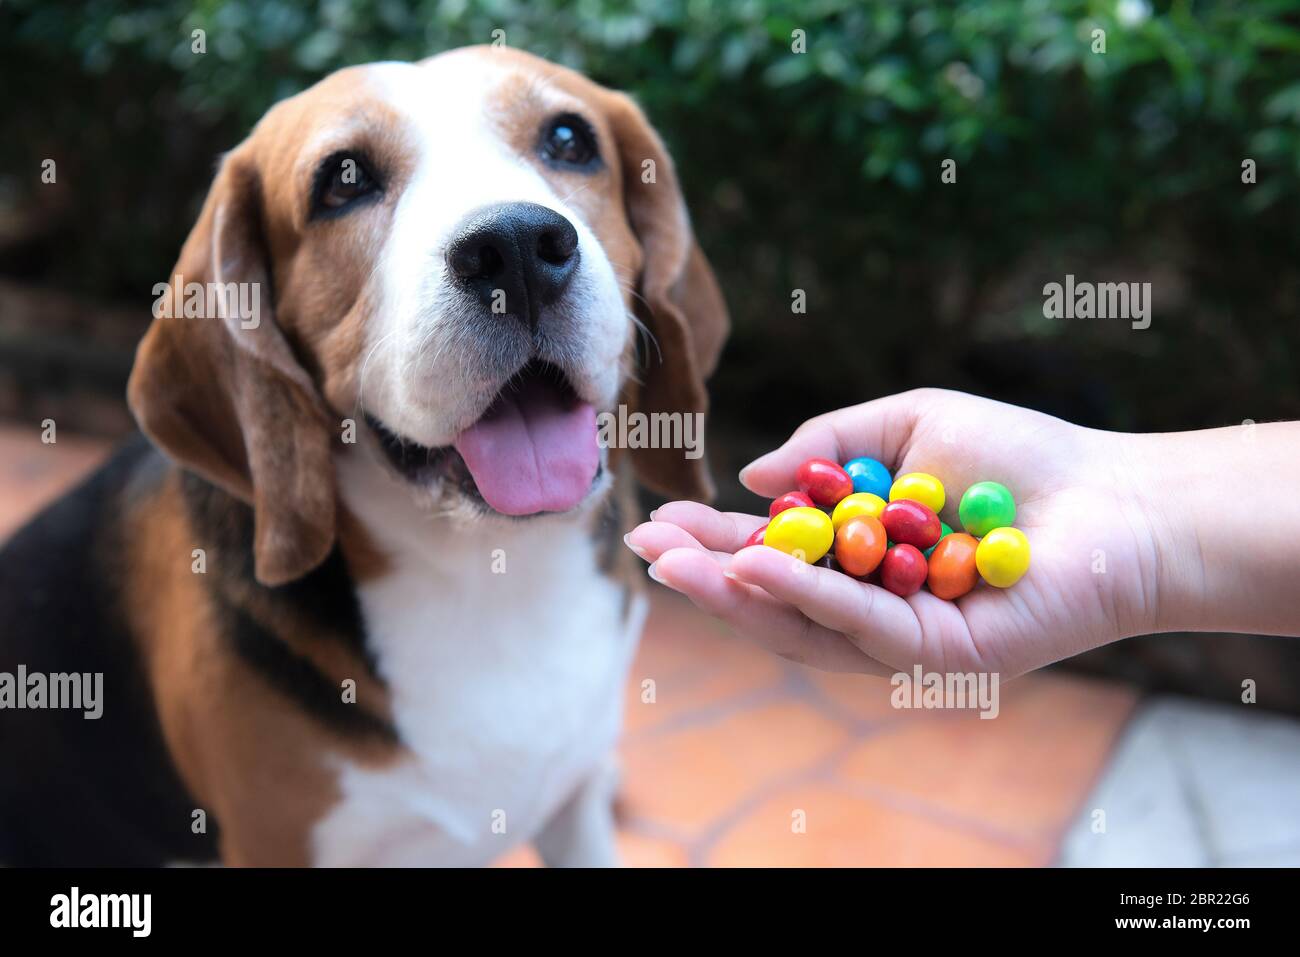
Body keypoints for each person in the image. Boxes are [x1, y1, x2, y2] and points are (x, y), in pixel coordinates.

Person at [624, 389, 1300, 678]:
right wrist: (1139, 523)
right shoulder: (853, 518)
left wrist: (1135, 520)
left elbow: (897, 541)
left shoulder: (914, 526)